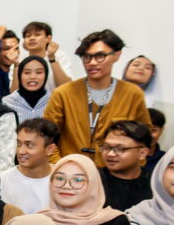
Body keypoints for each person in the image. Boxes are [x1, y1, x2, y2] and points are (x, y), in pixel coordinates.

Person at [44, 29, 151, 167]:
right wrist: (60, 166)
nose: (92, 62)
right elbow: (46, 136)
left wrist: (131, 169)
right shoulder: (63, 94)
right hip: (71, 173)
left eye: (100, 56)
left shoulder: (132, 94)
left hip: (115, 174)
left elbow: (144, 138)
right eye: (86, 57)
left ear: (117, 55)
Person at [0, 118, 59, 214]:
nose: (21, 151)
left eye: (29, 145)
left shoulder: (63, 181)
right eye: (18, 144)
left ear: (50, 149)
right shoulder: (2, 181)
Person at [98, 120, 153, 211]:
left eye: (120, 149)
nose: (110, 154)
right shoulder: (92, 179)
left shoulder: (155, 184)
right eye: (106, 147)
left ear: (142, 153)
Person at [16, 21, 73, 92]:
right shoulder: (19, 60)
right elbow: (14, 93)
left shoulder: (59, 56)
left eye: (37, 35)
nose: (32, 38)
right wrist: (16, 65)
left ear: (48, 39)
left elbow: (66, 87)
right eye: (28, 36)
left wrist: (52, 59)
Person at [3, 56, 51, 122]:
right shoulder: (6, 103)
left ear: (46, 75)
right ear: (19, 75)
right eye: (27, 72)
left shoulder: (54, 100)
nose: (32, 77)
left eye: (39, 72)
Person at [145, 108, 166, 173]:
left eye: (153, 130)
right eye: (144, 129)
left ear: (161, 130)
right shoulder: (127, 156)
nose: (148, 135)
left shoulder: (165, 160)